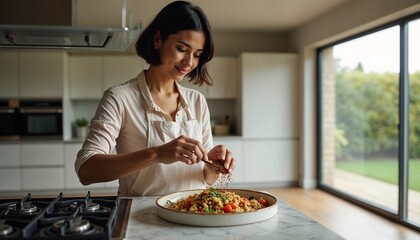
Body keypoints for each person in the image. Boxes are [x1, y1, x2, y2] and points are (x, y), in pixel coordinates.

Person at [75, 1, 236, 196]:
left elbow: (206, 179)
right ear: (158, 39)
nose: (189, 62)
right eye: (182, 49)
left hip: (195, 215)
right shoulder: (120, 98)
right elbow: (86, 170)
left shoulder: (197, 101)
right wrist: (157, 154)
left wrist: (213, 165)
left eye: (197, 54)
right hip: (141, 219)